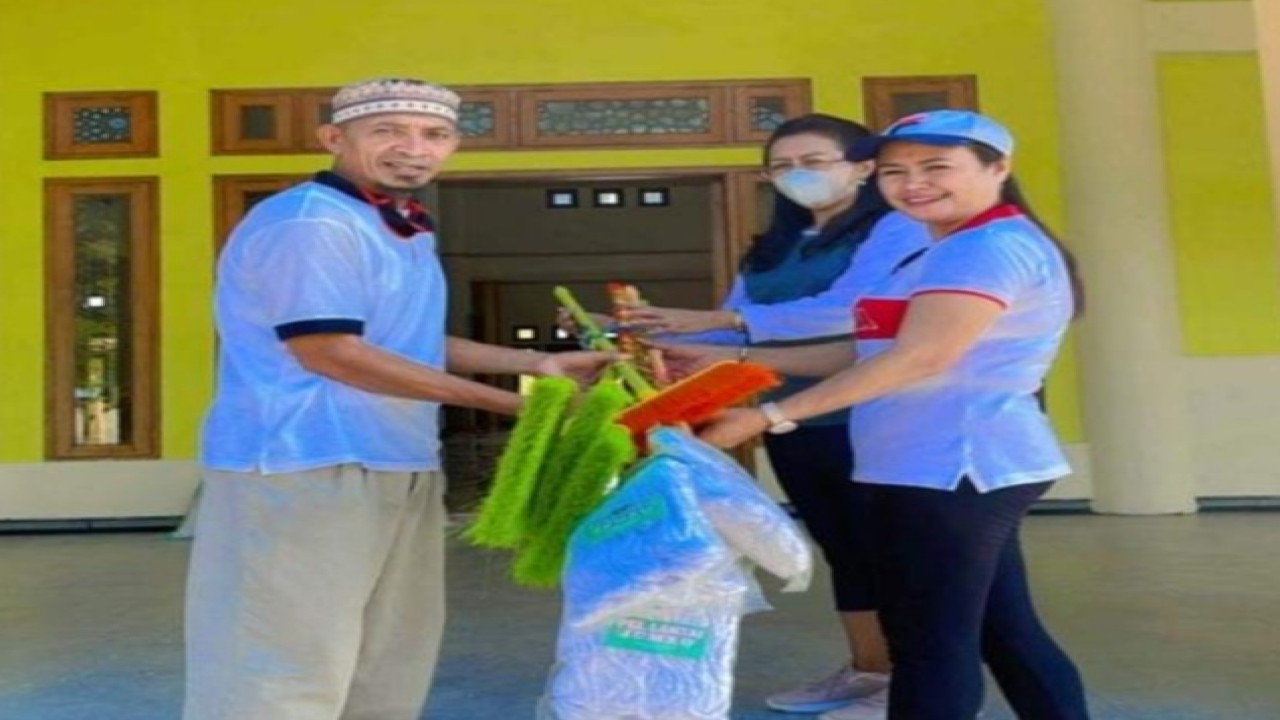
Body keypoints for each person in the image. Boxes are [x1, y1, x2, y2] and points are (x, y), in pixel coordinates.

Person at [185, 78, 611, 720]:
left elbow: (402, 342)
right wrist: (520, 408)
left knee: (387, 663)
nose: (413, 148)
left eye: (434, 134)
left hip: (396, 459)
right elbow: (330, 350)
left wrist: (535, 364)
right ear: (334, 138)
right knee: (282, 667)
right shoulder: (311, 223)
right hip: (304, 465)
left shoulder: (398, 228)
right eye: (387, 130)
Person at [670, 110, 1091, 720]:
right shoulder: (933, 245)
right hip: (928, 464)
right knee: (1002, 631)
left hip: (956, 465)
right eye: (895, 170)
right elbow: (863, 349)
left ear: (998, 168)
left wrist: (770, 417)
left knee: (929, 644)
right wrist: (735, 361)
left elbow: (922, 356)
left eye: (936, 166)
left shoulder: (988, 248)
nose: (912, 182)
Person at [597, 114, 931, 716]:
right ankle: (870, 670)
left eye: (814, 162)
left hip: (868, 415)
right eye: (781, 166)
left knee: (892, 550)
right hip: (788, 418)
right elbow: (730, 332)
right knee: (842, 548)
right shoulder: (773, 248)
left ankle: (919, 682)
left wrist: (720, 324)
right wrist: (635, 334)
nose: (796, 176)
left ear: (863, 168)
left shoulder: (897, 230)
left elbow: (850, 313)